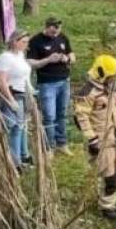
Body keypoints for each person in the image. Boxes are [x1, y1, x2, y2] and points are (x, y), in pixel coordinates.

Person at [74, 54, 116, 220]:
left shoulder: (111, 89)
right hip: (102, 140)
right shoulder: (88, 93)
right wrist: (91, 139)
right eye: (112, 76)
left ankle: (115, 201)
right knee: (109, 177)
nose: (114, 79)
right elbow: (81, 117)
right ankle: (107, 207)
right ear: (102, 74)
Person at [27, 17, 75, 155]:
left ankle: (62, 143)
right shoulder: (36, 41)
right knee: (49, 115)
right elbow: (30, 62)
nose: (56, 34)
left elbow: (72, 55)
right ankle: (50, 146)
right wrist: (48, 60)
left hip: (64, 81)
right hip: (47, 83)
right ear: (47, 27)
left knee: (62, 113)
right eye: (53, 31)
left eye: (58, 31)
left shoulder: (62, 37)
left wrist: (68, 59)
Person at [0, 30, 34, 170]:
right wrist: (10, 100)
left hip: (24, 94)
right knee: (15, 128)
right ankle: (15, 162)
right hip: (13, 94)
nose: (26, 45)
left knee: (23, 126)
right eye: (23, 42)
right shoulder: (5, 57)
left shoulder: (21, 55)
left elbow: (25, 76)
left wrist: (31, 91)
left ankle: (24, 156)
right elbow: (2, 81)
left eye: (27, 42)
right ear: (14, 42)